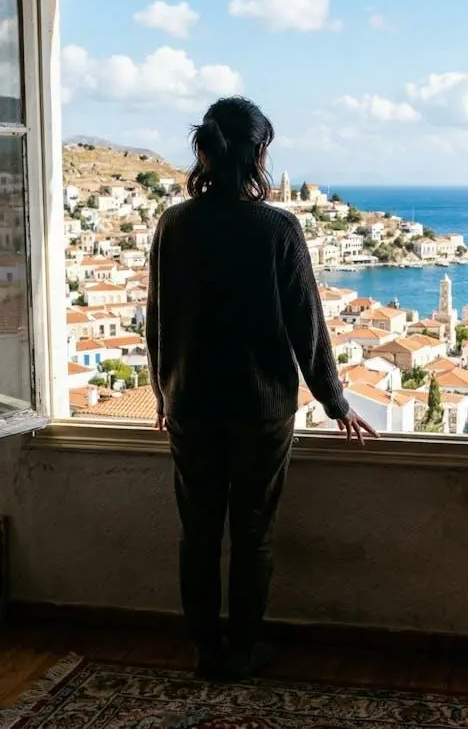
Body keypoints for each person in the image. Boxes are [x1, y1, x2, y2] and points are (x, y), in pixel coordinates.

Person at [146, 97, 378, 680]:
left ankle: (205, 650)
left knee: (197, 532)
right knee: (252, 534)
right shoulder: (278, 228)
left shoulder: (174, 224)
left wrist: (161, 391)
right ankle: (244, 649)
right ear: (258, 155)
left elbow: (158, 317)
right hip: (260, 409)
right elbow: (308, 326)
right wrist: (335, 402)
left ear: (204, 150)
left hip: (191, 404)